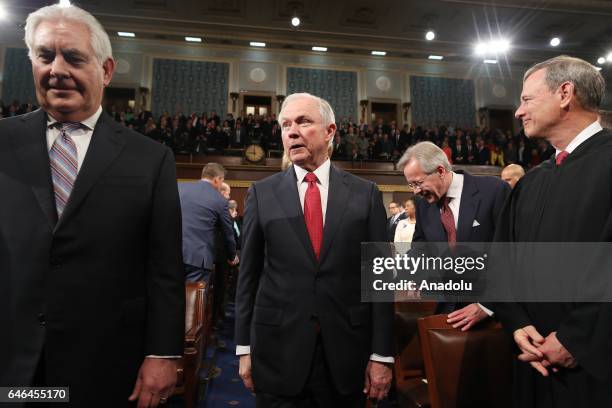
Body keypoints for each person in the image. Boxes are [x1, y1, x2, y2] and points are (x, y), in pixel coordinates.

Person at [0, 5, 184, 407]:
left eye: (74, 57)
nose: (57, 69)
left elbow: (164, 266)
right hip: (13, 367)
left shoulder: (150, 158)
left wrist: (162, 353)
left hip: (105, 364)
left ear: (105, 69)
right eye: (45, 56)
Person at [235, 93, 393, 406]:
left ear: (330, 131)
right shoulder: (262, 193)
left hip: (346, 357)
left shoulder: (366, 194)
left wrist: (382, 355)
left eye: (303, 121)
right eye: (285, 125)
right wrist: (243, 348)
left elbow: (381, 280)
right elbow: (248, 277)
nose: (291, 131)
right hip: (276, 351)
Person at [495, 55, 612, 408]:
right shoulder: (532, 182)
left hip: (595, 369)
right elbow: (502, 262)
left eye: (527, 100)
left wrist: (577, 339)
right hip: (532, 362)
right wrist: (516, 323)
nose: (518, 112)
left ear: (565, 94)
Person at [398, 141, 510, 329]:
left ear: (440, 171)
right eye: (411, 185)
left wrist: (487, 305)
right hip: (447, 314)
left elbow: (512, 254)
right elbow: (420, 252)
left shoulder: (494, 191)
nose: (415, 191)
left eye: (418, 183)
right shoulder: (424, 205)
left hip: (494, 318)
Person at [179, 163, 238, 283]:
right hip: (198, 261)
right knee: (195, 300)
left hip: (172, 255)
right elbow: (228, 233)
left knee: (171, 297)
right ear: (217, 179)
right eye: (222, 181)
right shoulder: (220, 200)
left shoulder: (179, 188)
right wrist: (232, 256)